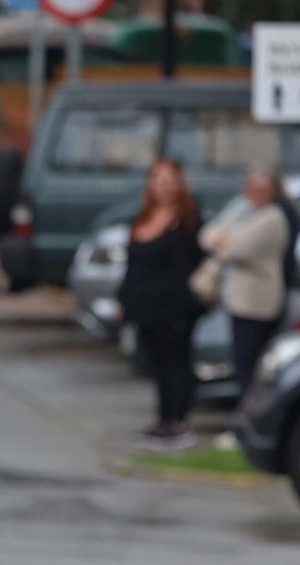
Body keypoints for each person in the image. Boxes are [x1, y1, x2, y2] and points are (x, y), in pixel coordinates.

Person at [118, 159, 204, 450]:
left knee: (177, 363)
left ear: (180, 183)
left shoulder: (188, 220)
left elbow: (197, 262)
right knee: (156, 365)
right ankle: (163, 419)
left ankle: (179, 421)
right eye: (158, 179)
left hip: (176, 307)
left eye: (170, 179)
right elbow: (132, 265)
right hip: (145, 306)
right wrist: (123, 300)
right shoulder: (141, 218)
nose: (164, 185)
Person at [203, 164, 293, 399]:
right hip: (239, 300)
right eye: (252, 188)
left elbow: (235, 251)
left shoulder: (273, 217)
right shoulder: (244, 211)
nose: (256, 193)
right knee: (241, 362)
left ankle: (250, 420)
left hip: (258, 304)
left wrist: (223, 243)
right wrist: (224, 241)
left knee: (249, 365)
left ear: (273, 191)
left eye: (262, 189)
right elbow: (206, 235)